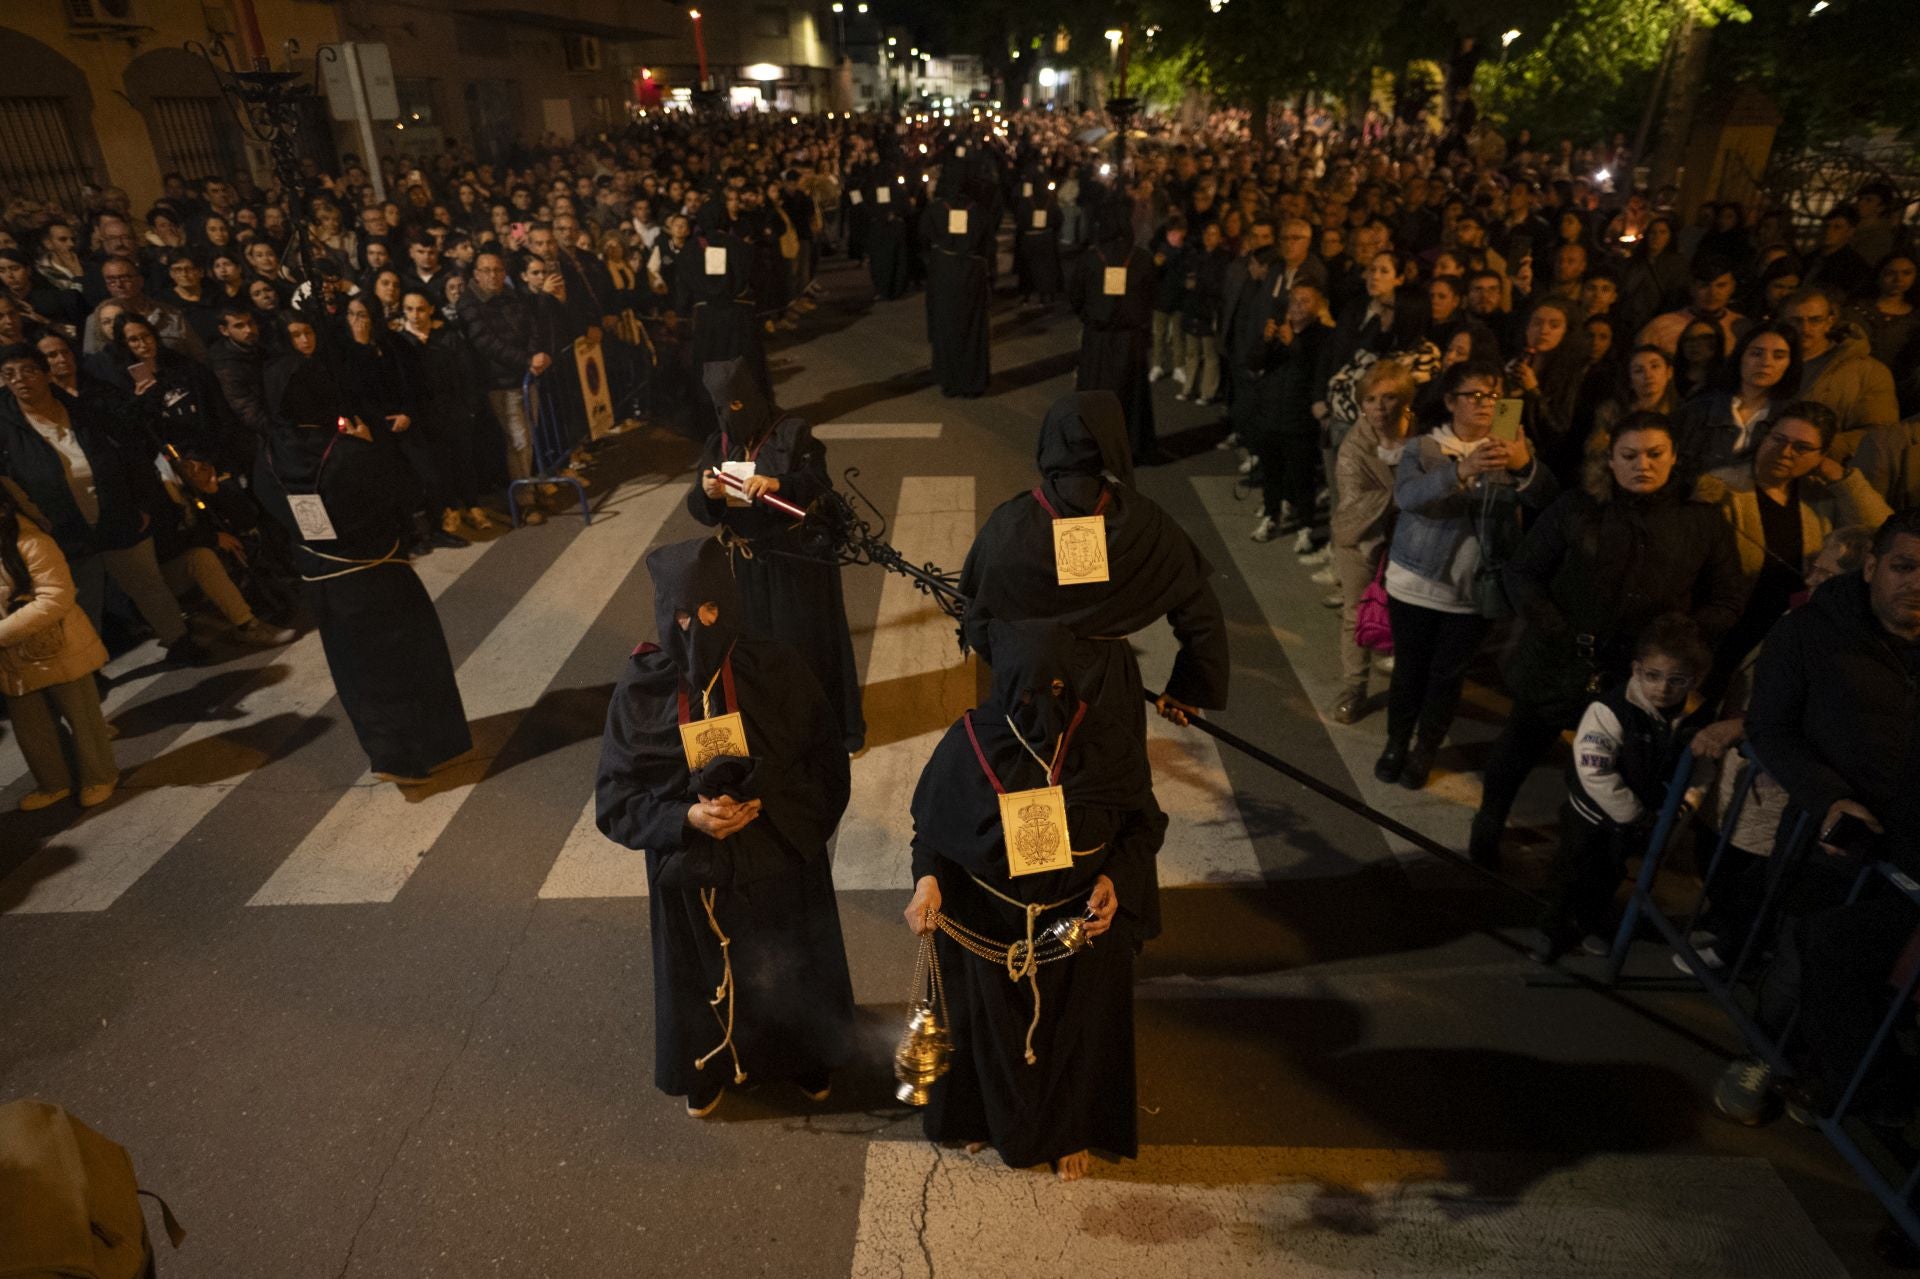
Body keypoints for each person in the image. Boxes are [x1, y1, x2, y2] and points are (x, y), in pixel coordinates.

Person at [594, 536, 857, 1118]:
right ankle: (707, 1065)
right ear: (665, 615)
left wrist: (766, 810)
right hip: (690, 859)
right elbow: (616, 798)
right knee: (698, 971)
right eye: (684, 616)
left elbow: (824, 764)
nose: (699, 627)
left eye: (711, 611)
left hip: (774, 852)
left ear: (730, 605)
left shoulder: (777, 667)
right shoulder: (642, 690)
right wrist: (685, 816)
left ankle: (801, 1053)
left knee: (790, 957)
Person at [958, 391, 1229, 935]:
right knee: (1112, 795)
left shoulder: (1014, 522)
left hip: (1028, 688)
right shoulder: (1143, 523)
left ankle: (1034, 920)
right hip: (1107, 682)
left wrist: (1017, 662)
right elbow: (1198, 611)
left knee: (1035, 790)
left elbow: (976, 619)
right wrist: (1188, 686)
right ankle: (1110, 913)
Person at [903, 619, 1161, 1181]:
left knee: (1076, 1035)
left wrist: (1116, 878)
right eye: (1029, 694)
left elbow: (1144, 826)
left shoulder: (1105, 742)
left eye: (1059, 692)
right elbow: (933, 836)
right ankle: (980, 1117)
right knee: (983, 1031)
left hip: (1074, 927)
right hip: (987, 924)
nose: (1045, 706)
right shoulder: (970, 743)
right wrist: (927, 883)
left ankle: (1070, 1129)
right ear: (1007, 687)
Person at [1714, 506, 1920, 1126]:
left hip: (1909, 856)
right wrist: (1829, 799)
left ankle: (1831, 1076)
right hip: (1826, 837)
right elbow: (1770, 728)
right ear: (1871, 568)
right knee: (1797, 957)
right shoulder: (1810, 632)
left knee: (1864, 979)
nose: (1916, 583)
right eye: (1905, 566)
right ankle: (1762, 1054)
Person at [1471, 411, 1744, 864]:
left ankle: (1583, 861)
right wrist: (1554, 625)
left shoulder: (1702, 522)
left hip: (1635, 677)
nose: (1644, 465)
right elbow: (1523, 571)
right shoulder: (1578, 507)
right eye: (1630, 455)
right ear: (1612, 461)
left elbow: (1728, 600)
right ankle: (1489, 821)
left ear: (1674, 457)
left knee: (1611, 771)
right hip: (1557, 658)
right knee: (1516, 749)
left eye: (1655, 454)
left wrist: (1673, 642)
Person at [254, 314, 470, 784]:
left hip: (322, 581)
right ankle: (430, 750)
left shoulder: (268, 456)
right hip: (376, 573)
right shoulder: (348, 454)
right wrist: (371, 448)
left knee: (359, 675)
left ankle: (391, 757)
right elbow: (405, 493)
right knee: (408, 664)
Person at [1377, 360, 1557, 790]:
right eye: (1474, 396)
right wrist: (1461, 470)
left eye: (1492, 396)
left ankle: (1425, 749)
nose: (1484, 404)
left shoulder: (1510, 446)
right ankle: (1396, 744)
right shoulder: (1424, 448)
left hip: (1473, 592)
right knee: (1409, 671)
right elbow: (1407, 496)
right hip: (1415, 585)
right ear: (1450, 401)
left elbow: (1546, 500)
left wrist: (1523, 465)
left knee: (1447, 677)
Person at [687, 359, 864, 753]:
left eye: (737, 406)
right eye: (722, 409)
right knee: (756, 654)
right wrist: (706, 494)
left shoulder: (792, 432)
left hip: (795, 564)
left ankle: (827, 732)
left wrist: (777, 482)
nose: (731, 415)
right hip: (747, 568)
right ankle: (774, 732)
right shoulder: (717, 444)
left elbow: (818, 482)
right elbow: (699, 509)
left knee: (805, 649)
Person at [0, 343, 201, 663]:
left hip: (115, 512)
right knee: (80, 602)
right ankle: (87, 668)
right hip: (62, 528)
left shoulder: (81, 409)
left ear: (46, 375)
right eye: (9, 374)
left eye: (29, 371)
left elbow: (126, 454)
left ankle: (179, 641)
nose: (20, 380)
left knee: (147, 584)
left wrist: (140, 505)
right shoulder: (6, 428)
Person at [1530, 615, 1714, 963]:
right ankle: (1551, 927)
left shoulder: (1696, 717)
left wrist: (1685, 805)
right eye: (1653, 676)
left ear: (1696, 679)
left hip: (1643, 818)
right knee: (1572, 870)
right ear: (1636, 669)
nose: (1663, 688)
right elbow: (1595, 769)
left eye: (1677, 680)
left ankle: (1589, 921)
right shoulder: (1611, 709)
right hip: (1593, 816)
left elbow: (1701, 769)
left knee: (1611, 873)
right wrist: (1634, 814)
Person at [1698, 399, 1893, 669]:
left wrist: (1842, 479)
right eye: (1779, 439)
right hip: (1731, 630)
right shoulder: (1724, 489)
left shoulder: (1819, 497)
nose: (1785, 452)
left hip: (1793, 633)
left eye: (1802, 448)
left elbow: (1884, 531)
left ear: (1821, 455)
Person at [0, 481, 118, 811]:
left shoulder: (30, 540)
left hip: (57, 645)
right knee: (32, 727)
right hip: (11, 658)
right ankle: (54, 782)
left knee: (82, 719)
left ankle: (100, 776)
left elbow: (56, 597)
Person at [1327, 360, 1416, 723]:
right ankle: (1355, 686)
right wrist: (1411, 492)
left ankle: (1410, 688)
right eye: (1372, 399)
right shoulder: (1354, 448)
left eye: (1390, 397)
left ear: (1405, 401)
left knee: (1410, 616)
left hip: (1410, 542)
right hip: (1361, 542)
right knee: (1356, 613)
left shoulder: (1421, 437)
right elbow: (1352, 507)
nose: (1380, 407)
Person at [1070, 201, 1158, 462]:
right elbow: (1151, 295)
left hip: (1098, 338)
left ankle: (1094, 446)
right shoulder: (1142, 259)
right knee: (1128, 395)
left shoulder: (1091, 258)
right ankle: (1129, 446)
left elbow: (1075, 295)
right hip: (1130, 339)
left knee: (1096, 393)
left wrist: (1089, 316)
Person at [1249, 282, 1335, 543]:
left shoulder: (1323, 337)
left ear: (1318, 306)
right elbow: (1253, 362)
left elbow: (1315, 372)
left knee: (1302, 476)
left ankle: (1305, 527)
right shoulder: (1276, 332)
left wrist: (1294, 344)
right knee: (1271, 472)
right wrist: (1265, 341)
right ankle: (1271, 515)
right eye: (1294, 300)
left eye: (1305, 301)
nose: (1297, 306)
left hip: (1299, 420)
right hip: (1270, 415)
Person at [1777, 286, 1900, 439]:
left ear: (1830, 321)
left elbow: (1880, 432)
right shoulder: (1767, 361)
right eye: (1796, 321)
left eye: (1815, 320)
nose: (1805, 328)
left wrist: (1819, 451)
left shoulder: (1868, 372)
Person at [1679, 322, 1799, 476]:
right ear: (1741, 356)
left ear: (1790, 364)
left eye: (1778, 356)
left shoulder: (1792, 418)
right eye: (1756, 353)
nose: (1766, 363)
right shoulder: (1699, 408)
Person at [922, 170, 993, 398]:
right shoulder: (979, 212)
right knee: (971, 327)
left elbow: (922, 236)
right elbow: (988, 245)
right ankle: (971, 381)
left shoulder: (936, 209)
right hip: (971, 272)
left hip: (944, 271)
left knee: (946, 325)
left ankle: (949, 380)